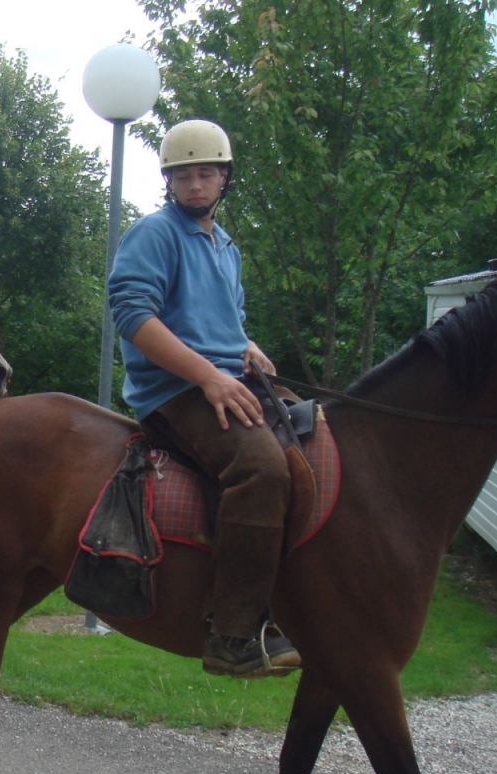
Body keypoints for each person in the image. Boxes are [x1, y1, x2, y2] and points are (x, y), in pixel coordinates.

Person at [107, 120, 301, 678]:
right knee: (260, 468)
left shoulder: (225, 245)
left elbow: (225, 320)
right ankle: (234, 633)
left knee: (315, 434)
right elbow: (134, 316)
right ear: (169, 182)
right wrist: (207, 377)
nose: (196, 185)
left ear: (224, 179)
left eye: (206, 174)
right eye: (184, 175)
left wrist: (248, 348)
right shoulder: (154, 234)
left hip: (226, 377)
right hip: (173, 391)